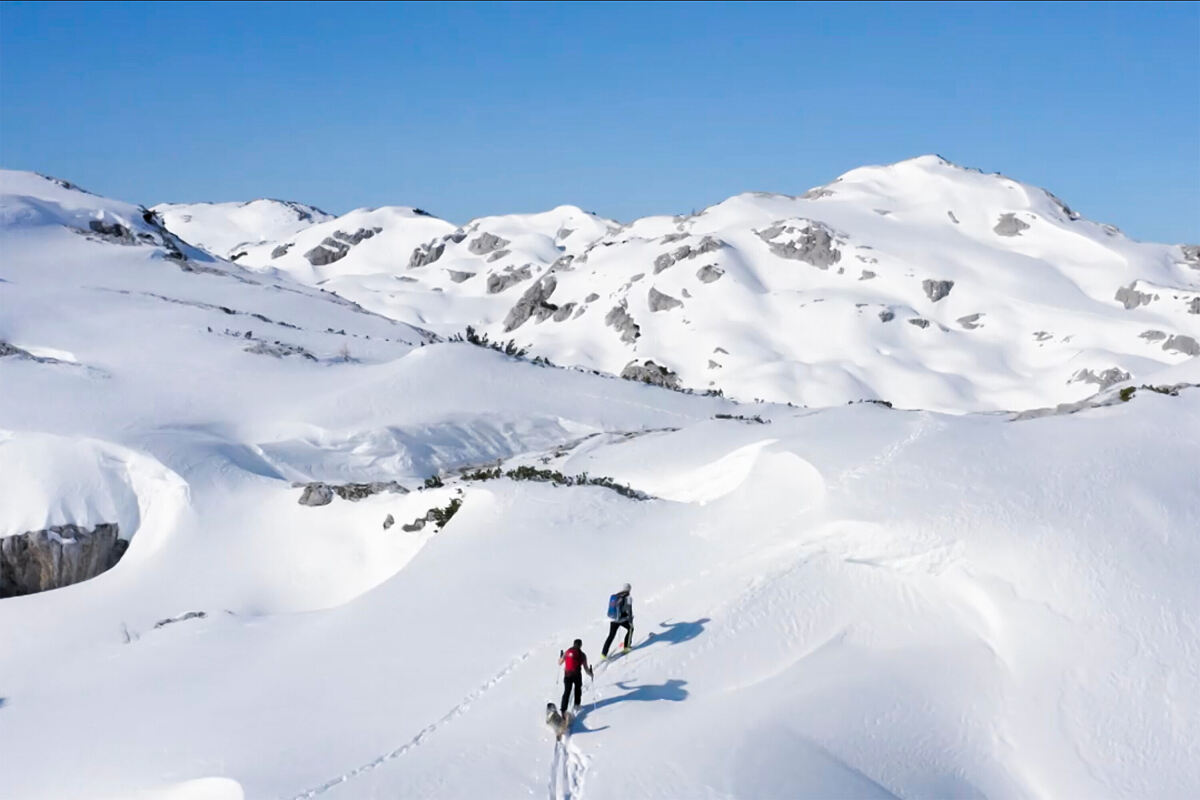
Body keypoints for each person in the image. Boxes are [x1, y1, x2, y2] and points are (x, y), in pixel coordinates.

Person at [558, 638, 593, 715]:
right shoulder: (583, 655)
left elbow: (560, 663)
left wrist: (561, 657)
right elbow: (586, 669)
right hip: (577, 675)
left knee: (567, 692)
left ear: (573, 644)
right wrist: (590, 674)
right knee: (577, 689)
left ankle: (563, 710)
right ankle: (577, 706)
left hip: (567, 675)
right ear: (581, 645)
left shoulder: (567, 652)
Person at [602, 583, 634, 658]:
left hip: (613, 619)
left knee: (611, 636)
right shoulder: (628, 597)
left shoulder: (617, 595)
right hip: (621, 619)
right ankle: (626, 647)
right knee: (630, 629)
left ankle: (603, 654)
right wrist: (630, 620)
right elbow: (629, 610)